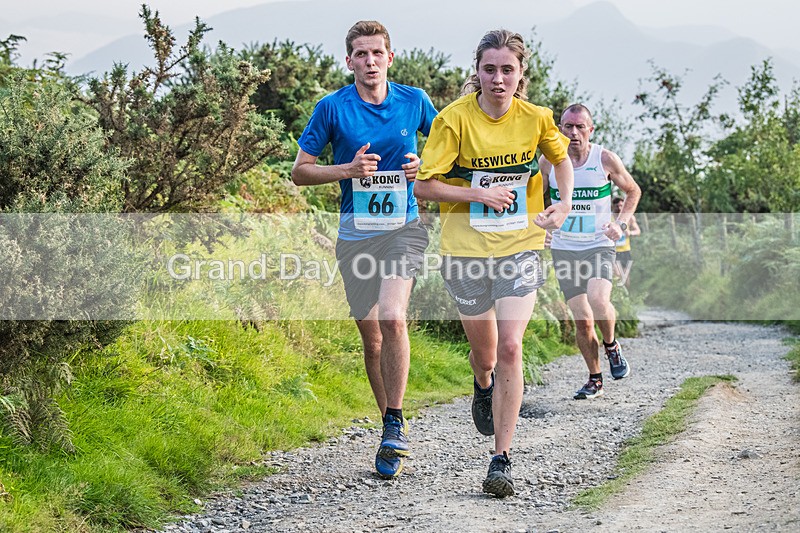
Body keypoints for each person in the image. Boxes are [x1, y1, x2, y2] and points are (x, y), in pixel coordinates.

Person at [414, 29, 574, 498]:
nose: (499, 79)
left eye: (508, 70)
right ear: (477, 71)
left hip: (520, 245)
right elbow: (424, 186)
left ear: (522, 73)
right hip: (464, 252)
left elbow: (560, 162)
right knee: (485, 355)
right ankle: (482, 384)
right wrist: (477, 193)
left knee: (510, 347)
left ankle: (501, 458)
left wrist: (561, 204)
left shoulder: (537, 118)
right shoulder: (453, 120)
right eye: (490, 69)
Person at [291, 20, 437, 479]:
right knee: (372, 339)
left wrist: (424, 166)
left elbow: (452, 151)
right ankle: (389, 427)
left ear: (390, 58)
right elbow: (300, 172)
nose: (370, 61)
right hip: (356, 234)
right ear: (349, 60)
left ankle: (394, 422)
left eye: (378, 53)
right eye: (361, 54)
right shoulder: (332, 108)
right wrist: (348, 169)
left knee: (393, 317)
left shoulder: (414, 101)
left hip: (404, 227)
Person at [539, 103, 641, 400]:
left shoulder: (604, 159)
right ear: (559, 128)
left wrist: (620, 225)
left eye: (580, 127)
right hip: (564, 247)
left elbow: (633, 191)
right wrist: (543, 228)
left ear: (590, 130)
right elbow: (536, 196)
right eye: (567, 126)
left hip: (599, 244)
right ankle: (594, 378)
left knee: (598, 300)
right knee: (582, 320)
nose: (573, 133)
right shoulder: (549, 162)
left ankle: (612, 345)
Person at [612, 196, 641, 289]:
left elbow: (638, 231)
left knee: (626, 277)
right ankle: (618, 297)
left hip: (625, 250)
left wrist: (630, 233)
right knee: (617, 275)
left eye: (621, 206)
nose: (619, 208)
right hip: (613, 251)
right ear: (613, 206)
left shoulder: (629, 217)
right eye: (617, 206)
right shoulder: (609, 217)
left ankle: (627, 298)